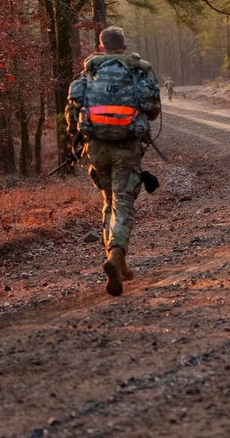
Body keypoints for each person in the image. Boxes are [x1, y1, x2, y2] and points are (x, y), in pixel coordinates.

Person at [66, 26, 161, 296]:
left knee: (109, 201)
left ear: (102, 46)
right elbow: (153, 110)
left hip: (96, 147)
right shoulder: (136, 71)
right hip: (127, 147)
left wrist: (75, 141)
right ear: (122, 45)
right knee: (124, 201)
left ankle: (120, 263)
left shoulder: (89, 73)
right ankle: (116, 254)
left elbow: (73, 113)